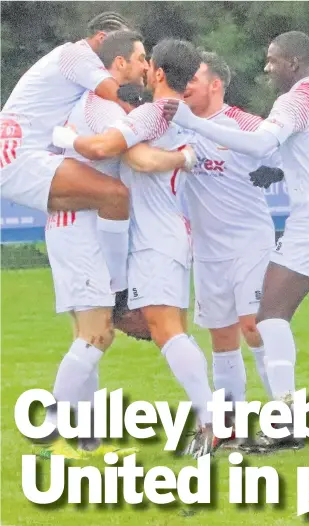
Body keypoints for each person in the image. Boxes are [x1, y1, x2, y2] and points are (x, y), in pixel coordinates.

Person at [163, 31, 309, 450]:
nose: (267, 68)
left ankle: (284, 423)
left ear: (294, 63)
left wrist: (191, 122)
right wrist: (302, 167)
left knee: (270, 316)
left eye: (273, 60)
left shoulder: (295, 99)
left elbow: (263, 142)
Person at [53, 39, 217, 458]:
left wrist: (64, 138)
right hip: (167, 235)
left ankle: (212, 424)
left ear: (159, 73)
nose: (144, 70)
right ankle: (206, 424)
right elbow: (146, 156)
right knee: (164, 330)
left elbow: (121, 153)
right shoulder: (173, 114)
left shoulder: (151, 112)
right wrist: (182, 157)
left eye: (149, 63)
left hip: (155, 239)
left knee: (166, 331)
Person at [1, 11, 136, 295]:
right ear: (101, 38)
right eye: (120, 49)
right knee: (115, 195)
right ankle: (119, 288)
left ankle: (102, 289)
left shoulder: (70, 58)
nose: (121, 58)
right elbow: (116, 93)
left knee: (101, 203)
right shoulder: (78, 55)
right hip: (19, 154)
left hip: (16, 153)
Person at [182, 51, 280, 442]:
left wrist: (279, 167)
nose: (185, 86)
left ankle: (283, 418)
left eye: (193, 79)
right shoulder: (178, 127)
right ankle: (229, 426)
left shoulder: (245, 124)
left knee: (254, 326)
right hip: (206, 250)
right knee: (222, 338)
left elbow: (285, 151)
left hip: (250, 243)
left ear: (215, 84)